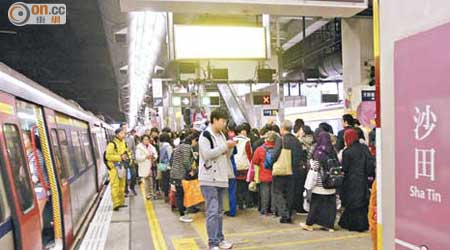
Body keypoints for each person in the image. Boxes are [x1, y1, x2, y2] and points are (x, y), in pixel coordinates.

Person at [199, 108, 236, 250]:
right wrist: (225, 146)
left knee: (219, 211)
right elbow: (207, 154)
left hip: (221, 177)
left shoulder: (221, 135)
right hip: (208, 179)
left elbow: (225, 154)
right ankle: (212, 243)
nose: (224, 124)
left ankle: (220, 239)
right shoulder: (205, 135)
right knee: (213, 211)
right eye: (223, 121)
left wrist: (230, 147)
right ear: (214, 120)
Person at [301, 131, 337, 232]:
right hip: (331, 183)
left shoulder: (319, 152)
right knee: (330, 206)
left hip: (320, 185)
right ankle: (329, 225)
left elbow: (315, 168)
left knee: (315, 205)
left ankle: (309, 224)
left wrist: (312, 164)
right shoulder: (333, 151)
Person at [270, 120, 304, 224]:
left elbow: (274, 155)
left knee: (278, 192)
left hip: (281, 171)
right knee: (290, 193)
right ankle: (289, 213)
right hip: (293, 171)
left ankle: (284, 215)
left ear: (282, 129)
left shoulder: (281, 140)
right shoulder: (296, 141)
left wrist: (272, 161)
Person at [338, 129, 372, 232]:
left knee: (352, 203)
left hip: (351, 181)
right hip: (363, 180)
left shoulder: (347, 152)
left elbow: (345, 168)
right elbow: (370, 165)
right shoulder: (364, 148)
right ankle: (364, 224)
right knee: (362, 202)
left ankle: (353, 224)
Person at [170, 135, 195, 223]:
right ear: (192, 140)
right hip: (179, 174)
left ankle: (182, 213)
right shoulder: (187, 147)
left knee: (179, 194)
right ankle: (182, 214)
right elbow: (185, 161)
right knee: (181, 194)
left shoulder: (180, 146)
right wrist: (190, 170)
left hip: (176, 173)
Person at [106, 128, 132, 211]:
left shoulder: (124, 143)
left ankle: (121, 202)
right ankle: (115, 204)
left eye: (124, 133)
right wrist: (120, 157)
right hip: (114, 168)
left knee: (122, 185)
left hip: (122, 167)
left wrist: (129, 159)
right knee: (115, 186)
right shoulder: (112, 144)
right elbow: (108, 156)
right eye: (122, 133)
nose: (123, 135)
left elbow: (128, 152)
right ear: (117, 134)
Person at [251, 131, 276, 215]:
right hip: (275, 174)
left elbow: (254, 161)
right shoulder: (278, 149)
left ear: (266, 139)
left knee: (264, 193)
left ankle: (264, 210)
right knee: (274, 193)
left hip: (264, 174)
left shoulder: (260, 149)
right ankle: (273, 210)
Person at [234, 124, 252, 209]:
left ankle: (239, 203)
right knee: (245, 185)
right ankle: (248, 202)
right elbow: (249, 154)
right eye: (243, 130)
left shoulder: (232, 141)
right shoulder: (246, 141)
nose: (244, 132)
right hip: (245, 165)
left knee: (238, 186)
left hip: (235, 165)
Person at [135, 135, 158, 200]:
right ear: (142, 140)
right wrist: (145, 157)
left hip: (152, 166)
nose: (146, 141)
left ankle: (153, 193)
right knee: (147, 181)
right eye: (145, 139)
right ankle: (148, 194)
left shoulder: (151, 147)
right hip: (144, 166)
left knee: (153, 180)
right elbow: (138, 158)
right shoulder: (139, 148)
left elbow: (156, 154)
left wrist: (154, 157)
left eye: (147, 139)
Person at [159, 132, 173, 200]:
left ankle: (165, 194)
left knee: (164, 179)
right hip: (167, 165)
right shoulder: (168, 146)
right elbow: (170, 157)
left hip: (162, 165)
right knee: (168, 180)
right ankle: (168, 195)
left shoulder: (161, 146)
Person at [126, 129, 138, 196]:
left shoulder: (131, 138)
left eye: (126, 128)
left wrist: (134, 157)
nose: (125, 130)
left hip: (131, 159)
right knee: (124, 176)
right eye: (124, 128)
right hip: (123, 160)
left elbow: (134, 148)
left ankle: (132, 187)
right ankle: (126, 190)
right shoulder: (118, 140)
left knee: (133, 174)